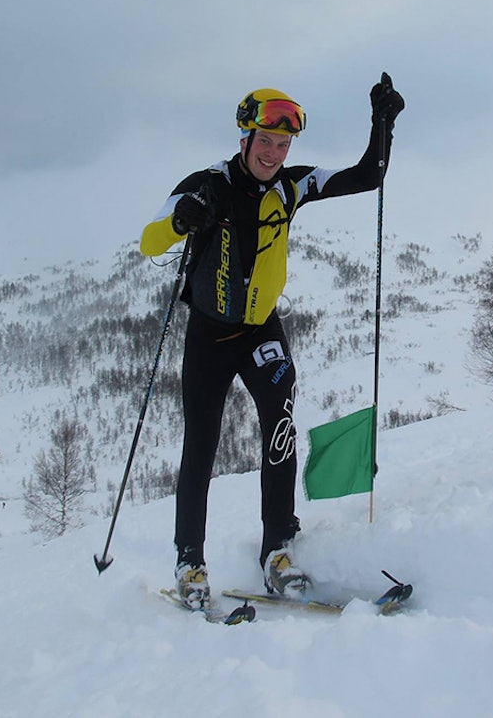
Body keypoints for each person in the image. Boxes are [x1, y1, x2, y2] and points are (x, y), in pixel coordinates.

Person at [139, 74, 404, 609]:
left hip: (262, 329)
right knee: (202, 443)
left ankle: (277, 549)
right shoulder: (206, 184)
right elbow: (149, 241)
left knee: (279, 425)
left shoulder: (293, 185)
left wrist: (383, 124)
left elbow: (367, 177)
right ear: (244, 138)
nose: (274, 153)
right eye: (266, 142)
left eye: (283, 145)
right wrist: (180, 221)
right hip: (210, 335)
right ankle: (190, 558)